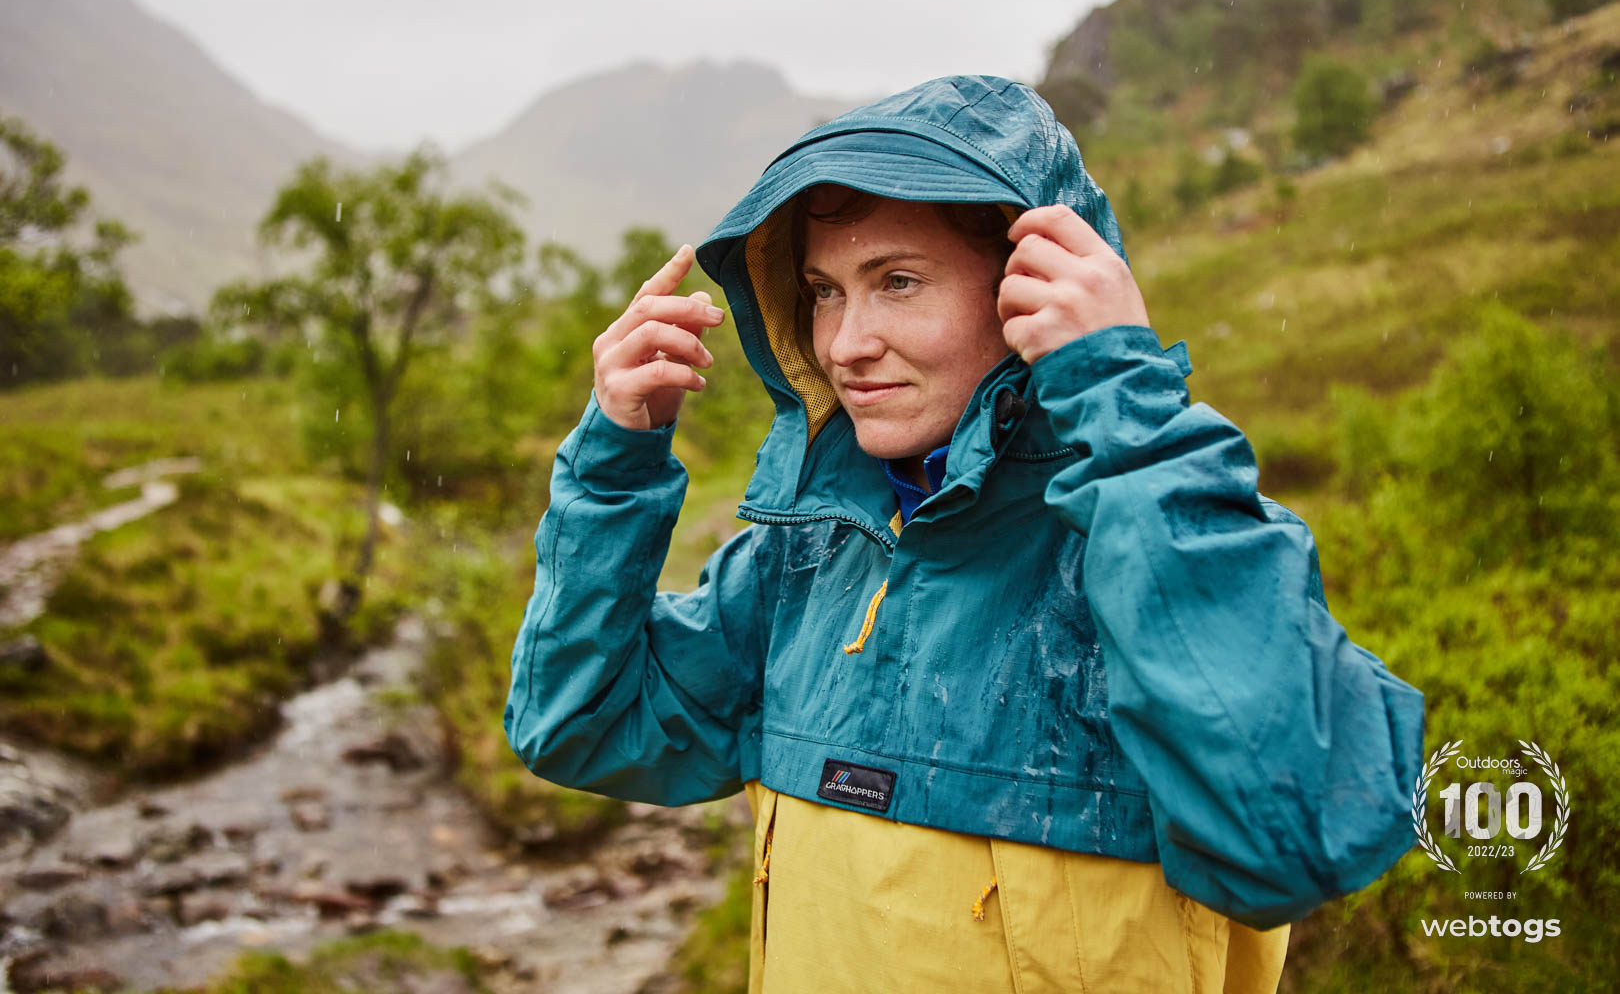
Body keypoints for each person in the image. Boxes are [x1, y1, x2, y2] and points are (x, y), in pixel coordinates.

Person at [505, 75, 1425, 992]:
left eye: (896, 282)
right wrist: (617, 461)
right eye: (824, 291)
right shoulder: (811, 557)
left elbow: (1289, 838)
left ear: (1033, 288)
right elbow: (579, 722)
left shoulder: (1147, 545)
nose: (845, 343)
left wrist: (1122, 396)